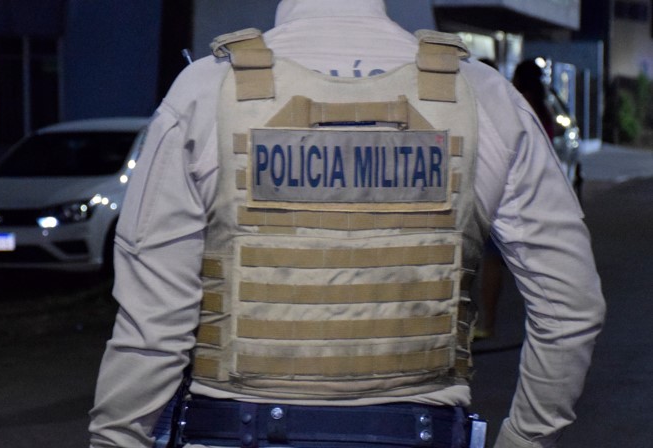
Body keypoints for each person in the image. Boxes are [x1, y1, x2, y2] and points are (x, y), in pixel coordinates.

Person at [89, 2, 606, 448]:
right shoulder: (483, 96)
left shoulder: (204, 92)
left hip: (231, 429)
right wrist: (525, 439)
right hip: (421, 430)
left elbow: (151, 333)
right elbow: (571, 308)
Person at [474, 58, 560, 340]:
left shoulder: (514, 106)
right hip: (537, 192)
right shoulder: (544, 112)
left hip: (509, 191)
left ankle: (488, 322)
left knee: (492, 260)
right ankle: (547, 322)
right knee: (537, 264)